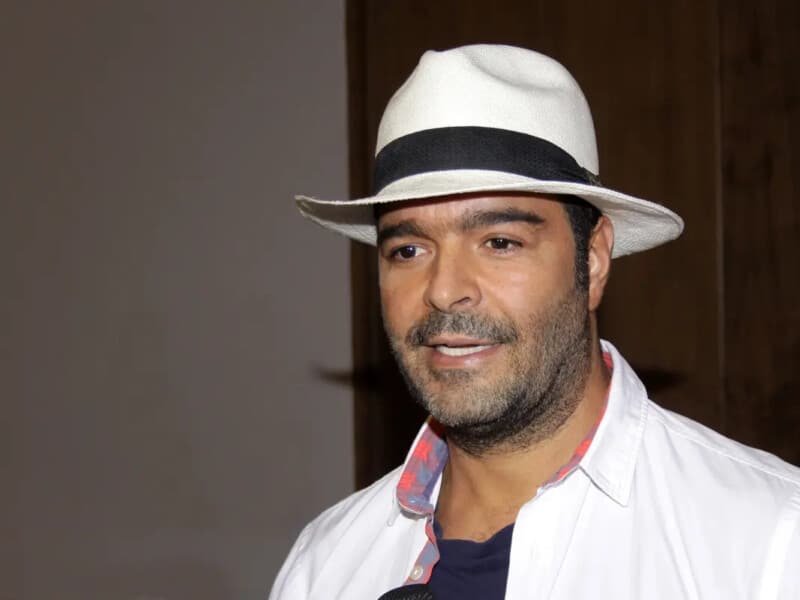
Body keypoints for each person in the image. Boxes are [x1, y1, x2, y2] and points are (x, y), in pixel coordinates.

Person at [270, 44, 800, 599]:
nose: (444, 290)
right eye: (408, 250)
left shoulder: (764, 545)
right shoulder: (326, 567)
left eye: (500, 242)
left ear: (593, 260)